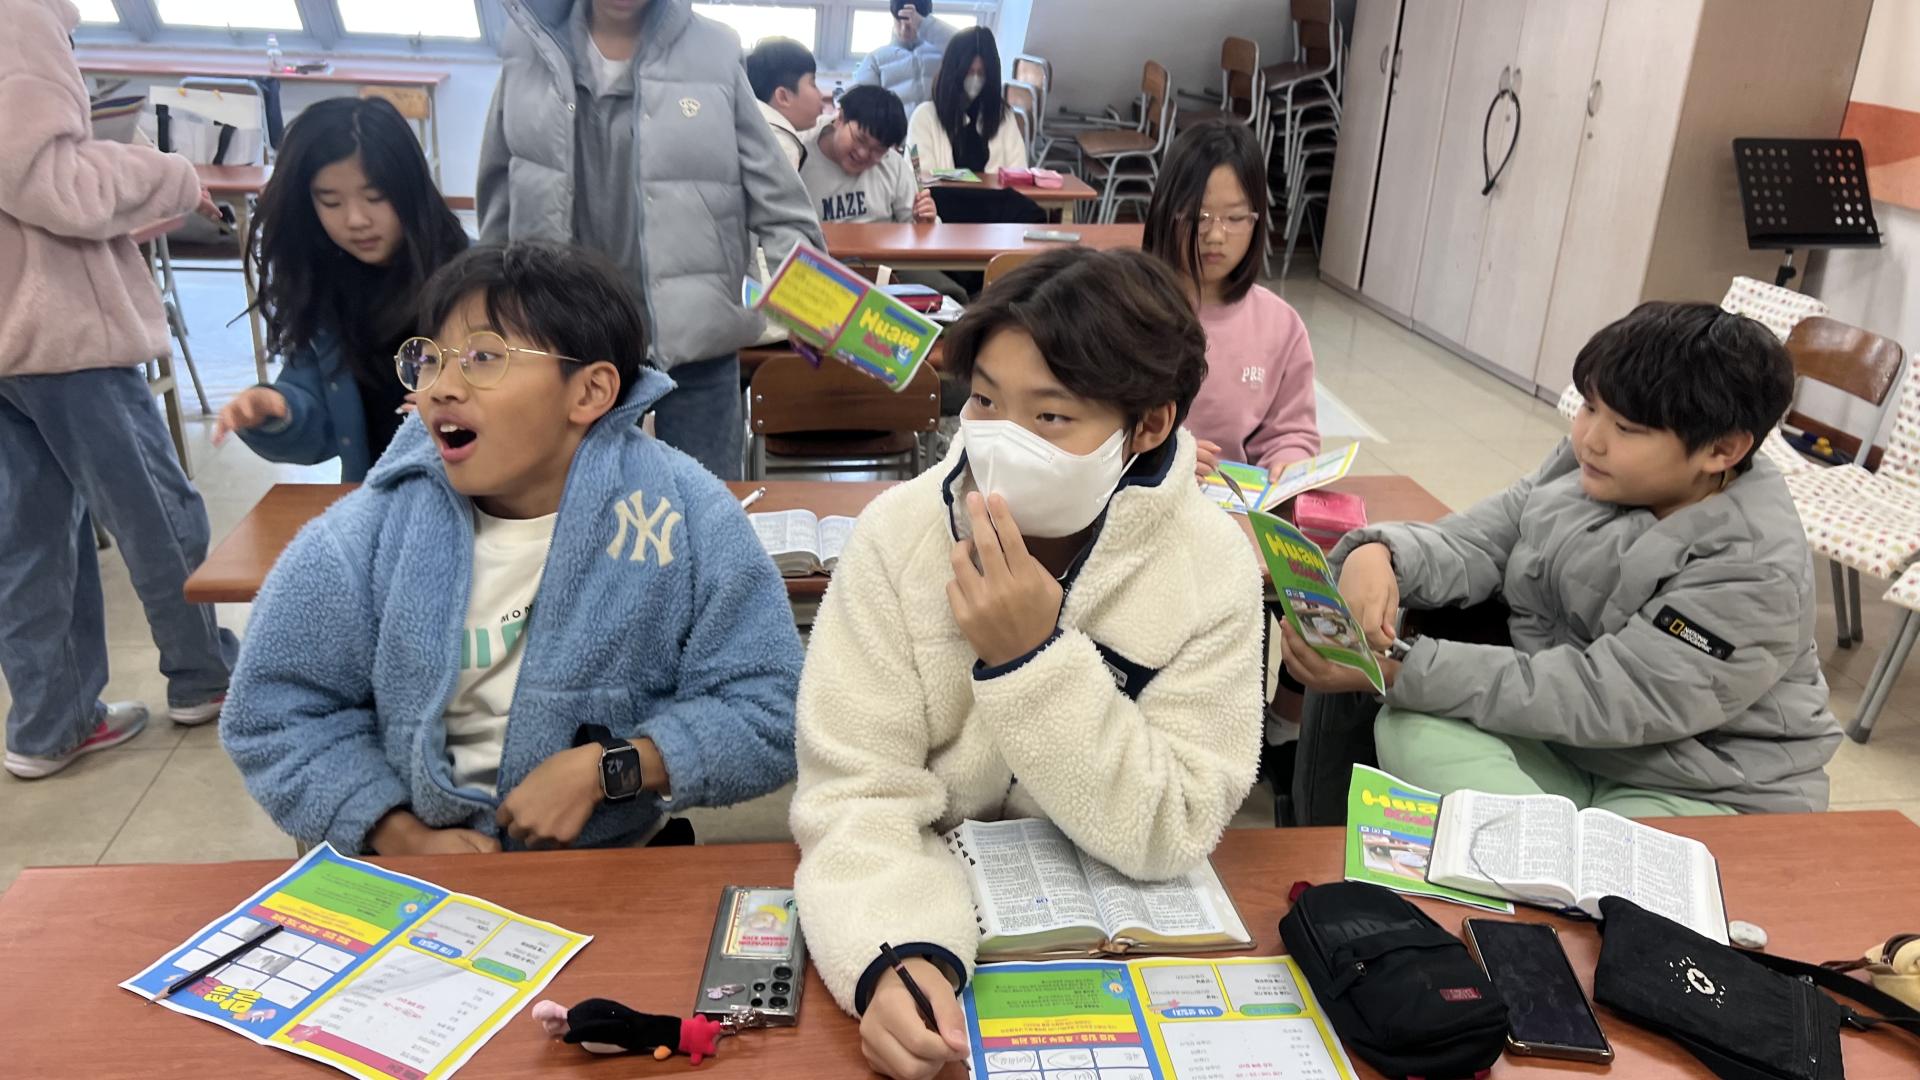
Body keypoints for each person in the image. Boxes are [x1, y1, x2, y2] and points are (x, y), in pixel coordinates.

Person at [790, 248, 1265, 1079]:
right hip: (934, 918)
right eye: (984, 402)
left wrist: (1033, 661)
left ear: (1150, 424)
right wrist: (892, 950)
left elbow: (1180, 820)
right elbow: (854, 790)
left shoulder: (1209, 565)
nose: (1003, 443)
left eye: (1050, 417)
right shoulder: (899, 535)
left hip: (1120, 947)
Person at [221, 243, 804, 854]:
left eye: (483, 358)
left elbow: (770, 706)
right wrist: (397, 834)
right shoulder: (368, 533)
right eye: (431, 360)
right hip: (414, 875)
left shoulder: (682, 517)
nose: (441, 389)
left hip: (614, 865)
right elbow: (272, 713)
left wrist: (610, 770)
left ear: (590, 392)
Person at [1287, 302, 1839, 816]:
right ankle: (1547, 850)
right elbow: (1480, 538)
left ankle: (1551, 852)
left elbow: (1606, 695)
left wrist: (1397, 670)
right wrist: (1380, 554)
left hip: (1702, 784)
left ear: (1722, 450)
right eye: (1590, 408)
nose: (1590, 439)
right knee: (1407, 723)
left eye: (1626, 428)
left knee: (1627, 863)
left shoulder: (1756, 567)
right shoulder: (1590, 469)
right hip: (1568, 745)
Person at [0, 0, 238, 778]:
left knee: (31, 536)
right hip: (58, 323)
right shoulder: (18, 17)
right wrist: (171, 177)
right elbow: (53, 183)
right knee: (156, 514)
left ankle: (51, 720)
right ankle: (205, 675)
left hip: (10, 336)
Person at [477, 0, 822, 481]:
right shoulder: (529, 46)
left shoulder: (714, 52)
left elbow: (779, 199)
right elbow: (499, 199)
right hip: (569, 337)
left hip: (698, 339)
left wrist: (811, 302)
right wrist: (485, 318)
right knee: (573, 501)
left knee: (708, 501)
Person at [215, 97, 469, 481]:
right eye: (330, 201)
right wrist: (277, 409)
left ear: (411, 189)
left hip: (472, 498)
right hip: (375, 495)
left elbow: (523, 411)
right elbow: (322, 427)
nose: (356, 220)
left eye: (375, 197)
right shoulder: (324, 289)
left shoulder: (476, 283)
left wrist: (465, 414)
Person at [1144, 121, 1318, 478]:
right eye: (1198, 217)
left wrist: (1290, 459)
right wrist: (1159, 458)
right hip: (1139, 496)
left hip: (1235, 501)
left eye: (1236, 218)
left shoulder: (1280, 325)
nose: (1216, 235)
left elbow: (1290, 432)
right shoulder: (1127, 308)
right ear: (1165, 211)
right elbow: (1089, 428)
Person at [799, 85, 936, 225]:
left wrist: (924, 223)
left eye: (878, 150)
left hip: (881, 238)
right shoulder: (799, 159)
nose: (863, 153)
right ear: (840, 118)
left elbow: (916, 223)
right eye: (859, 139)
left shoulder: (892, 165)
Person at [907, 26, 1028, 175]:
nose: (975, 79)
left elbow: (1019, 172)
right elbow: (917, 175)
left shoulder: (1003, 116)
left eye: (981, 73)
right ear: (954, 72)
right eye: (969, 72)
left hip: (995, 192)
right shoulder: (923, 117)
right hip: (939, 192)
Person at [851, 0, 955, 115]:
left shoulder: (942, 53)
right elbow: (862, 108)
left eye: (911, 22)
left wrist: (925, 25)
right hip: (895, 126)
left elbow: (966, 47)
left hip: (938, 125)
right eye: (899, 21)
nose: (904, 28)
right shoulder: (874, 60)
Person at [745, 36, 827, 172]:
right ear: (783, 97)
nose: (821, 95)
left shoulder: (750, 127)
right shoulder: (782, 148)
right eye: (813, 84)